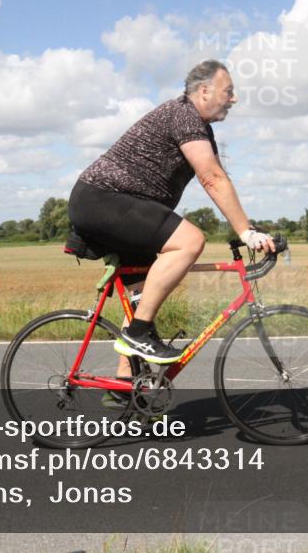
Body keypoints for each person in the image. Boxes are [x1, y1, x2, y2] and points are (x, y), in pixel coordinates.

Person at [67, 59, 275, 363]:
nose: (234, 98)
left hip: (116, 204)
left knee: (142, 307)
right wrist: (246, 233)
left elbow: (221, 178)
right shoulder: (184, 114)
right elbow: (211, 179)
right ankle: (138, 334)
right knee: (190, 241)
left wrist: (251, 227)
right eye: (228, 91)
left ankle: (125, 394)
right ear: (204, 91)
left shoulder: (197, 125)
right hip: (105, 199)